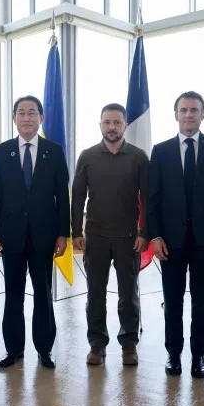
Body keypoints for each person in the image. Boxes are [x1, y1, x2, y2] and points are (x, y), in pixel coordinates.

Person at [148, 91, 204, 378]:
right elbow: (152, 198)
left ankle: (199, 356)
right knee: (172, 300)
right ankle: (174, 354)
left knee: (201, 300)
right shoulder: (161, 151)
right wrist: (155, 236)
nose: (188, 115)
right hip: (170, 240)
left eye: (194, 110)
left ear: (202, 114)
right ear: (176, 115)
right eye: (183, 110)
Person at [0, 95, 69, 369]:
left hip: (44, 236)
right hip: (11, 236)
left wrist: (63, 233)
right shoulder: (2, 151)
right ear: (14, 119)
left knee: (43, 294)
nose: (26, 118)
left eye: (32, 112)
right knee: (13, 294)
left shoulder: (54, 151)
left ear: (41, 118)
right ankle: (13, 350)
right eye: (21, 113)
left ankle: (45, 349)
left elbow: (62, 196)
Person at [72, 103, 149, 367]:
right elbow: (78, 196)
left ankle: (129, 344)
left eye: (117, 122)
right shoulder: (88, 156)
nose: (112, 127)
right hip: (96, 237)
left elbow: (148, 198)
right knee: (95, 294)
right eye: (107, 122)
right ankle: (97, 344)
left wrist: (145, 232)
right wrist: (76, 231)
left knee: (129, 295)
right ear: (100, 125)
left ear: (125, 125)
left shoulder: (138, 157)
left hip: (129, 238)